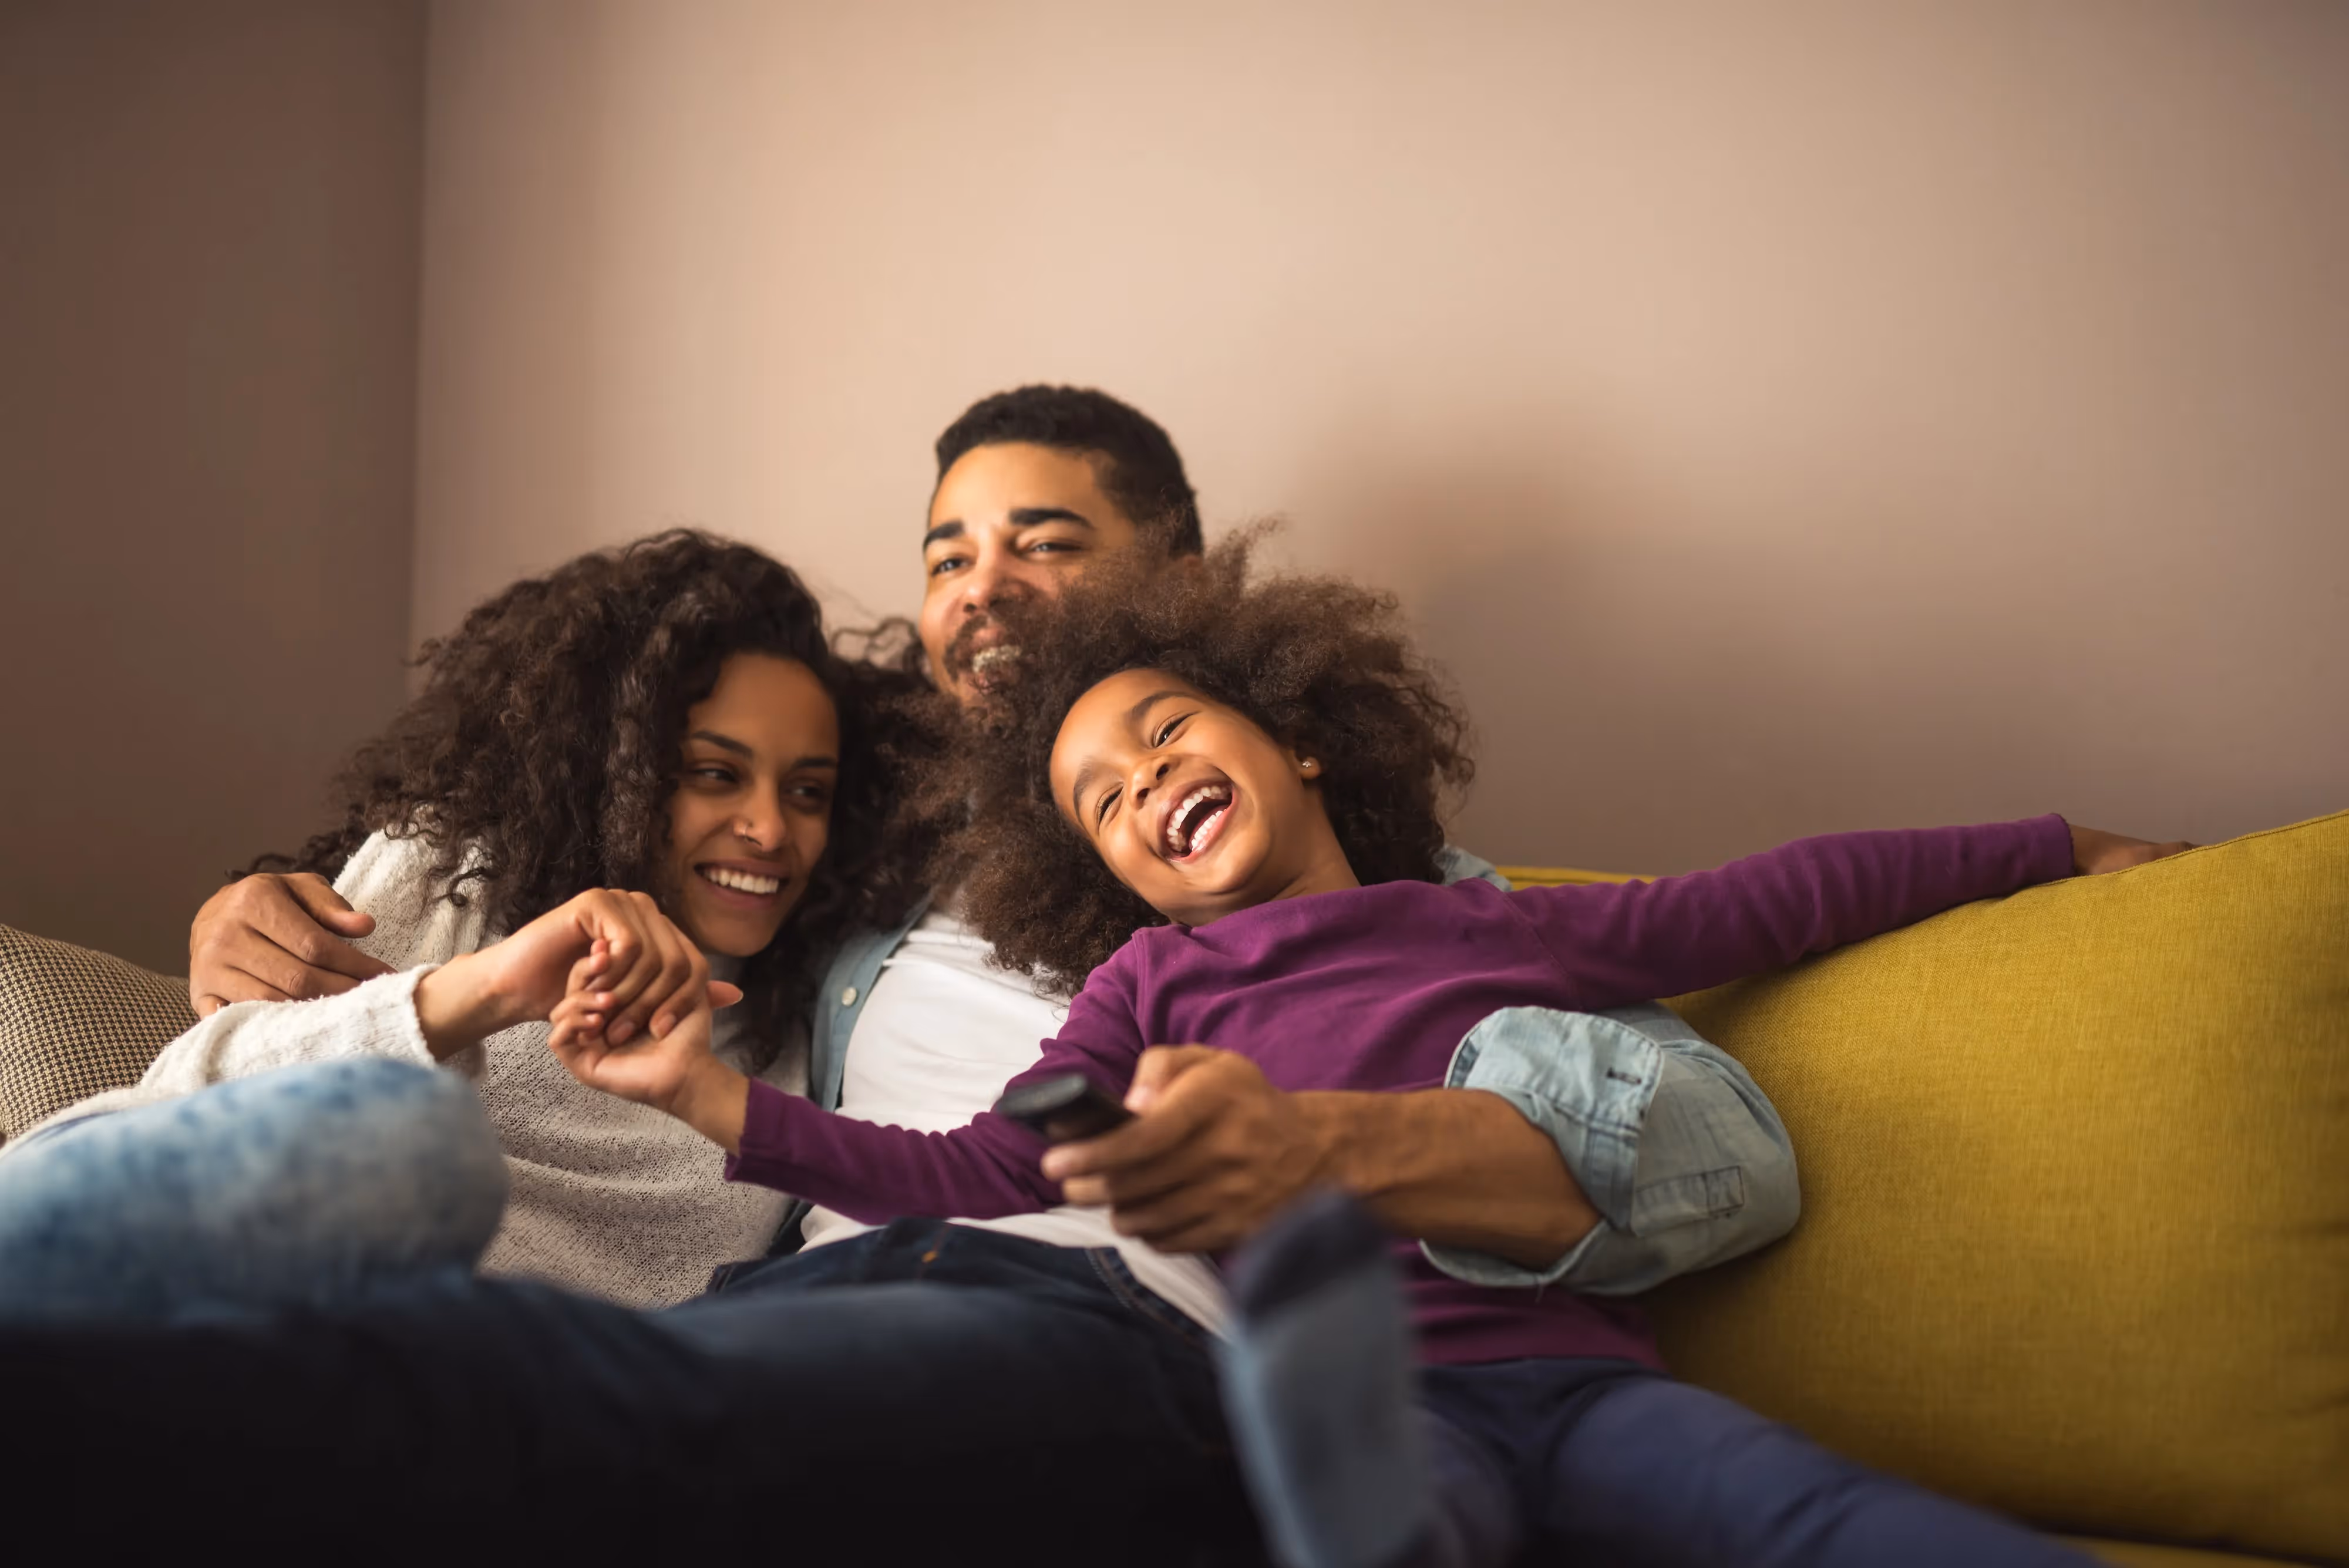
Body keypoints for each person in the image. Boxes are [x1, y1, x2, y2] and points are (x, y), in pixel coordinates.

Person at [544, 532, 2180, 1567]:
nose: (1140, 787)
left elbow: (1791, 893)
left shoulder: (1484, 921)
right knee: (1391, 1524)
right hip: (1387, 1408)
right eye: (1100, 804)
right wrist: (719, 1102)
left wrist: (2053, 841)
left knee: (1809, 1511)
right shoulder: (1145, 998)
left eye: (1164, 732)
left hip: (1584, 1380)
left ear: (1300, 730)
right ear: (1100, 876)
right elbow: (968, 1171)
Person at [0, 530, 908, 1314]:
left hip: (429, 1382)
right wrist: (492, 987)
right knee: (419, 1140)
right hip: (157, 1239)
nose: (770, 828)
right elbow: (193, 1089)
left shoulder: (794, 1038)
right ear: (622, 770)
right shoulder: (459, 869)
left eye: (808, 792)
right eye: (716, 772)